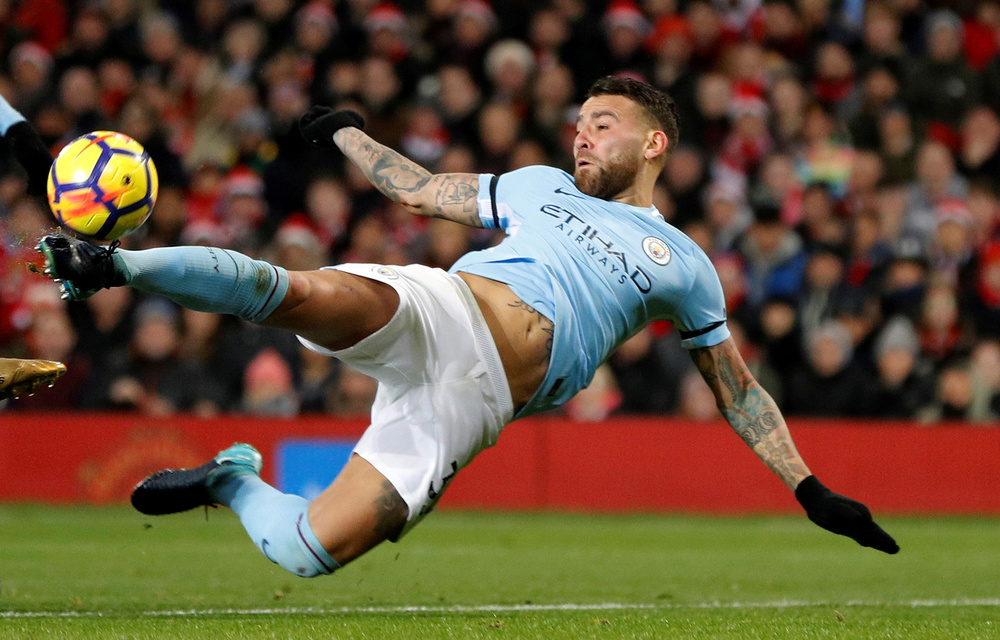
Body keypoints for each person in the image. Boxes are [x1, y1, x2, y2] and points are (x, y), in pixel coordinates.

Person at [36, 77, 898, 579]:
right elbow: (420, 190)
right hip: (439, 310)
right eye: (581, 123)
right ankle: (118, 266)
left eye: (605, 124)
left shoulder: (685, 264)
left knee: (309, 554)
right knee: (296, 291)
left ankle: (231, 482)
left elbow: (739, 393)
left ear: (657, 144)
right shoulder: (536, 185)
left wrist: (808, 489)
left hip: (470, 409)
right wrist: (346, 133)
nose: (584, 135)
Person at [0, 92, 68, 402]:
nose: (25, 221)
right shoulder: (3, 253)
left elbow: (49, 310)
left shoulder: (50, 257)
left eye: (32, 214)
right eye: (19, 214)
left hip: (26, 348)